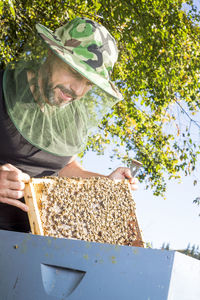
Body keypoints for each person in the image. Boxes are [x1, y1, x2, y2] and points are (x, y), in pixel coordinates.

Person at [0, 17, 138, 233]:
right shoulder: (2, 91)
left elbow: (66, 167)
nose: (78, 91)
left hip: (28, 244)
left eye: (89, 83)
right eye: (74, 73)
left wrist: (107, 183)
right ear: (51, 54)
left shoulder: (73, 118)